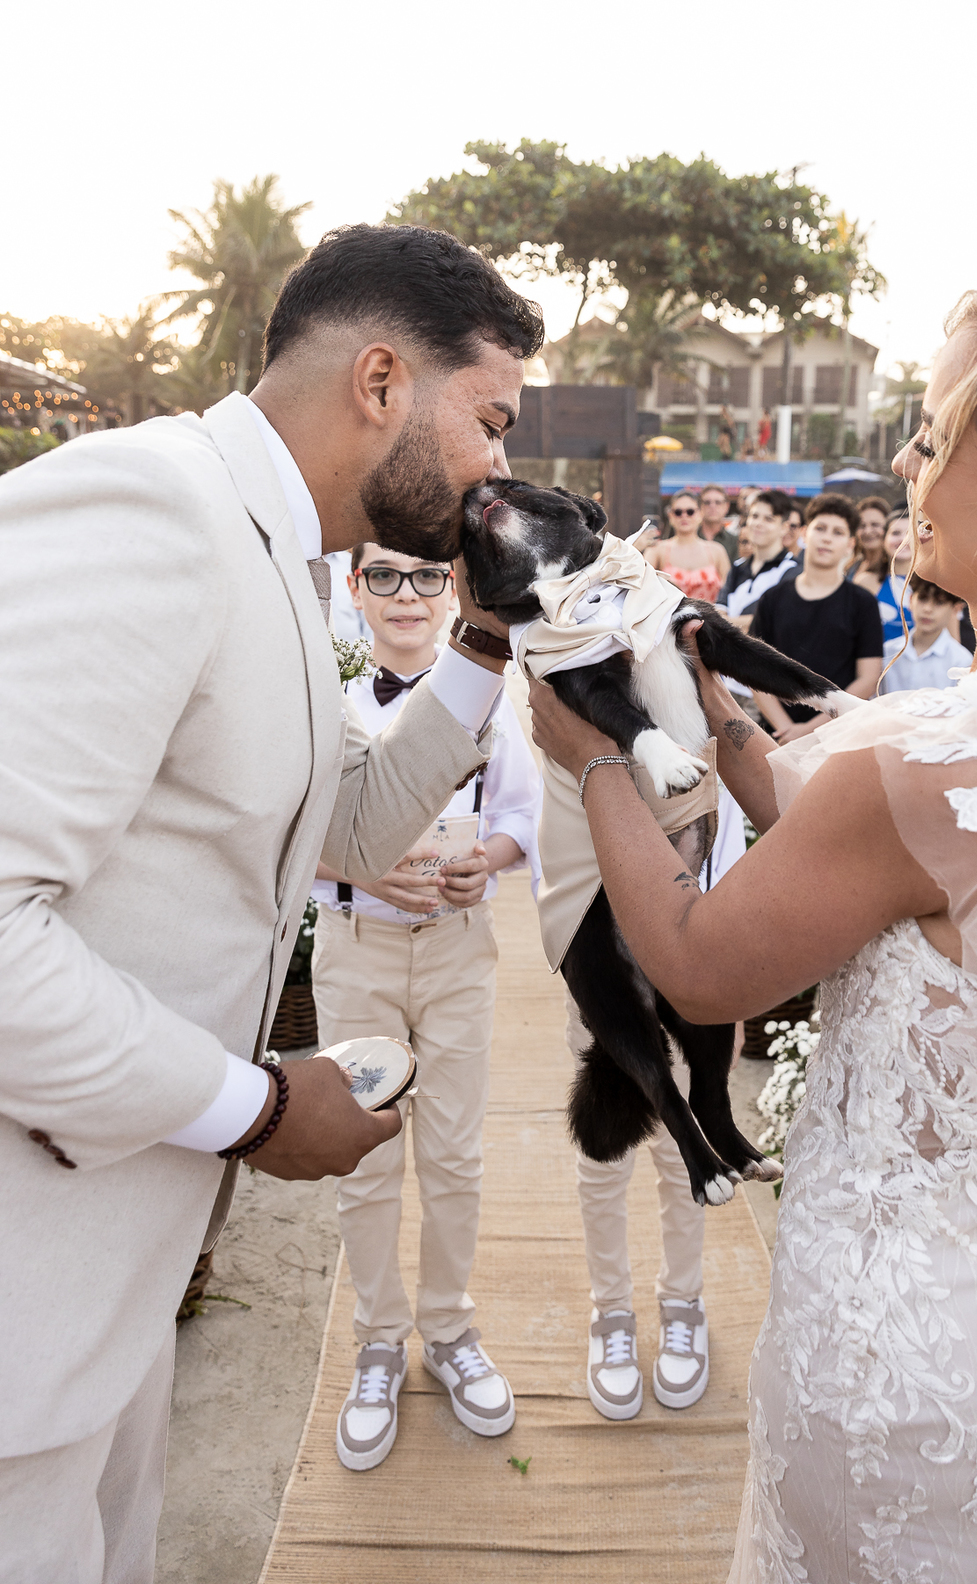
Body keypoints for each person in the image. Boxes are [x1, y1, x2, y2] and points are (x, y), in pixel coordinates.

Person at [528, 258, 977, 1581]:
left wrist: (591, 750)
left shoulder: (932, 764)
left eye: (939, 433)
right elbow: (928, 895)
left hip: (912, 1361)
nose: (903, 458)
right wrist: (736, 745)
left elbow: (701, 969)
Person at [0, 222, 542, 1583]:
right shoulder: (154, 506)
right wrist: (253, 1110)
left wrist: (484, 639)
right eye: (487, 420)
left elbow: (346, 823)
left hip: (110, 1278)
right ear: (378, 381)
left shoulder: (287, 558)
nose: (497, 468)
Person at [312, 544, 540, 1470]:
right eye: (384, 578)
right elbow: (284, 840)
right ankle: (377, 1340)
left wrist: (492, 858)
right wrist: (355, 862)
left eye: (425, 578)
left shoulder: (488, 704)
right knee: (362, 1154)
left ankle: (448, 1331)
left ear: (454, 591)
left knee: (453, 1153)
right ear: (356, 591)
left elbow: (521, 816)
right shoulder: (324, 712)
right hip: (354, 953)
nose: (405, 597)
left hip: (455, 954)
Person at [575, 789, 746, 1423]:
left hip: (698, 953)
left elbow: (724, 843)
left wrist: (736, 986)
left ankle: (683, 1301)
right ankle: (611, 1310)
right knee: (605, 1152)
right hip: (602, 958)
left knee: (688, 1146)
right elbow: (559, 847)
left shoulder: (696, 719)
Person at [751, 492, 884, 741]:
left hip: (839, 734)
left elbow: (867, 678)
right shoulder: (772, 599)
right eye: (820, 528)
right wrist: (786, 729)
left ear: (850, 544)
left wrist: (811, 730)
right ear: (804, 533)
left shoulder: (863, 603)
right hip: (777, 734)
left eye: (838, 532)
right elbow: (754, 670)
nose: (827, 538)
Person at [718, 489, 799, 631]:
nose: (758, 523)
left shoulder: (793, 570)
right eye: (754, 516)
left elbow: (774, 619)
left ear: (784, 527)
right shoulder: (737, 567)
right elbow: (718, 614)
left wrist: (728, 622)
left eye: (769, 519)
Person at [879, 576, 972, 692]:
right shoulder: (887, 651)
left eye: (939, 603)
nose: (928, 609)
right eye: (922, 599)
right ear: (910, 600)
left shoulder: (961, 661)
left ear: (956, 609)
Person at [643, 489, 730, 602]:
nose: (684, 516)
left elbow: (730, 592)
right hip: (671, 618)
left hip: (712, 618)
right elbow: (641, 584)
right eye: (678, 512)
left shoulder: (717, 550)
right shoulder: (657, 550)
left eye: (690, 512)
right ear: (671, 516)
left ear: (700, 514)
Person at [874, 504, 916, 639]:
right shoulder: (866, 581)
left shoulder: (935, 583)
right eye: (895, 533)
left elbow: (952, 641)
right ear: (883, 539)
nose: (903, 540)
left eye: (910, 534)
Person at [845, 493, 891, 593]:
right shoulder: (851, 565)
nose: (868, 531)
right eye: (862, 526)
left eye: (875, 525)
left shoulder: (894, 568)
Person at [699, 483, 739, 563]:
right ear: (700, 506)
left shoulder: (735, 542)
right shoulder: (688, 537)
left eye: (718, 502)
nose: (712, 506)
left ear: (726, 506)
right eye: (707, 502)